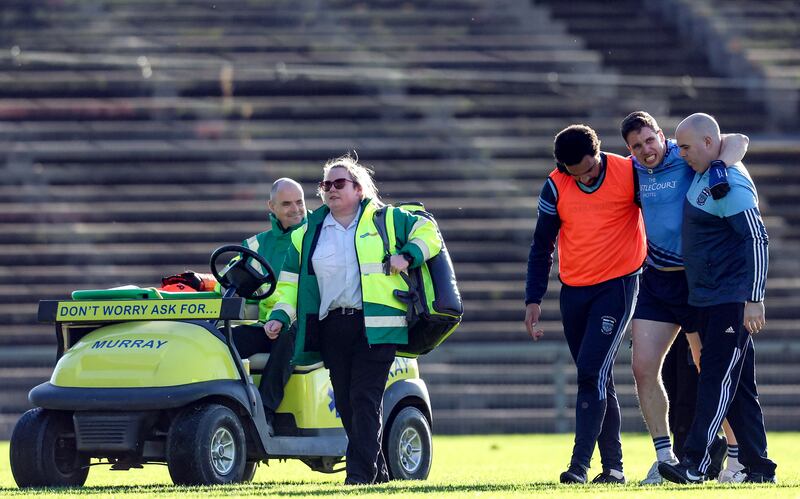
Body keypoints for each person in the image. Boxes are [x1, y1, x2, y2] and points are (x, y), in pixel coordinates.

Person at [264, 154, 442, 485]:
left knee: (365, 398)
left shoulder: (386, 219)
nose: (330, 189)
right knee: (347, 403)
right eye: (325, 184)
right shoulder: (306, 232)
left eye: (339, 183)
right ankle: (380, 474)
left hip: (379, 326)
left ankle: (359, 477)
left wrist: (409, 255)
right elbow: (289, 285)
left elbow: (430, 232)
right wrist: (278, 315)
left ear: (358, 189)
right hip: (332, 327)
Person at [620, 111, 750, 483]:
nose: (646, 150)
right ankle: (664, 458)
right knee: (642, 367)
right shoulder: (629, 170)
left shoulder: (685, 153)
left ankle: (737, 458)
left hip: (697, 282)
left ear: (661, 135)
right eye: (636, 146)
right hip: (658, 281)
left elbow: (739, 138)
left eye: (649, 140)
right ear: (628, 150)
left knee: (708, 367)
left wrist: (721, 167)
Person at [658, 113, 777, 484]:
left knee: (714, 380)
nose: (681, 154)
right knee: (738, 388)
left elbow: (757, 239)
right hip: (710, 299)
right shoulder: (712, 170)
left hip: (730, 300)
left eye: (687, 147)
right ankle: (759, 468)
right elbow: (736, 137)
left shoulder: (731, 185)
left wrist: (754, 297)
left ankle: (694, 462)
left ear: (709, 144)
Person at [524, 124, 646, 484]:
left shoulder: (629, 172)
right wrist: (533, 298)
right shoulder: (555, 184)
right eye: (575, 174)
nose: (585, 179)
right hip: (574, 290)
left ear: (598, 153)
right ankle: (614, 468)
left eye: (590, 170)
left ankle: (579, 466)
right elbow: (541, 245)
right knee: (599, 377)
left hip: (619, 285)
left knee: (590, 372)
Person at [228, 178, 307, 433]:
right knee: (221, 339)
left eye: (300, 202)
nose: (296, 209)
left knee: (291, 334)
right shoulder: (255, 246)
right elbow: (234, 284)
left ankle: (264, 413)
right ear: (271, 206)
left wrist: (281, 317)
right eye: (287, 204)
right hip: (269, 327)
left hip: (309, 326)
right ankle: (222, 409)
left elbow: (303, 290)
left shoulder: (319, 236)